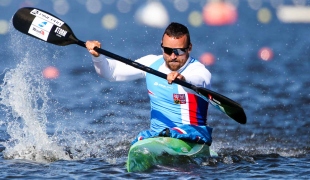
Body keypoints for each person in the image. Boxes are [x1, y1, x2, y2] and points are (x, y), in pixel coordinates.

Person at [86, 22, 213, 145]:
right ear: (162, 46)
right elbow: (111, 73)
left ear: (189, 48)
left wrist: (183, 79)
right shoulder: (151, 64)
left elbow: (201, 81)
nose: (173, 56)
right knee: (142, 138)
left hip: (192, 136)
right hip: (157, 137)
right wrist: (97, 57)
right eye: (168, 50)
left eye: (179, 51)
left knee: (171, 133)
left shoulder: (197, 70)